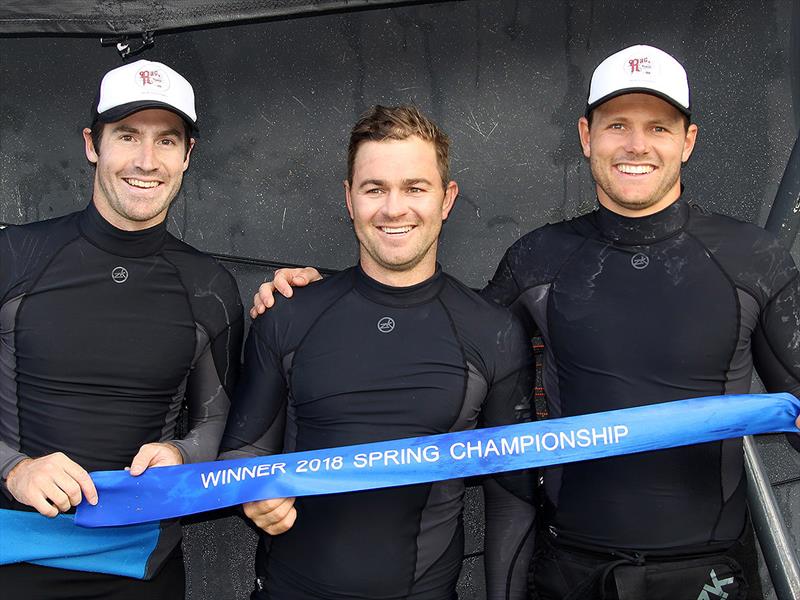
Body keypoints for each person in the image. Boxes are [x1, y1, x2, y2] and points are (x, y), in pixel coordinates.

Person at [252, 45, 800, 599]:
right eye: (617, 126)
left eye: (658, 127)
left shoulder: (752, 258)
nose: (636, 145)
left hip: (709, 571)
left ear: (688, 140)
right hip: (572, 569)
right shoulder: (539, 260)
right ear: (586, 136)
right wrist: (314, 294)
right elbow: (432, 322)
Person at [220, 105, 536, 600]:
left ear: (446, 199)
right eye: (375, 188)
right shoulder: (289, 316)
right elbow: (244, 449)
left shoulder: (492, 331)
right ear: (349, 198)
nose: (394, 208)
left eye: (415, 188)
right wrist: (251, 490)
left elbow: (511, 498)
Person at [0, 59, 243, 599]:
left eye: (166, 141)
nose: (145, 161)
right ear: (93, 144)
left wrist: (181, 455)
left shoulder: (209, 286)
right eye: (127, 135)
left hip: (139, 567)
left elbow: (216, 419)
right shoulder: (15, 257)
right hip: (9, 560)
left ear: (188, 156)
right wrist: (13, 469)